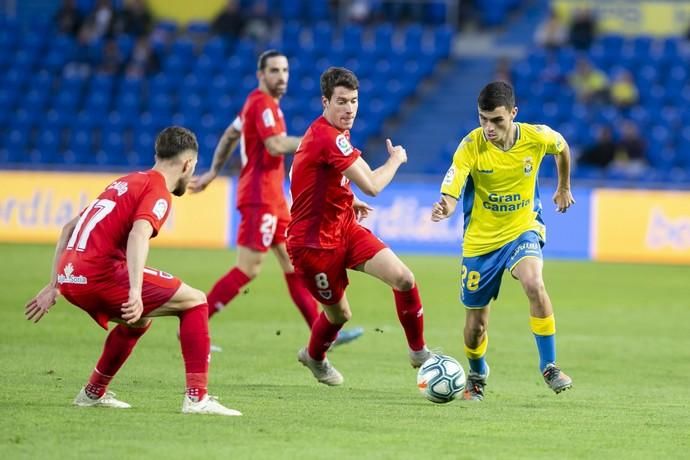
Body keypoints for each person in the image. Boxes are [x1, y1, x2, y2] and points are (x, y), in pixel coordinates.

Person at [24, 126, 241, 416]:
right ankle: (197, 398)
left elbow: (68, 228)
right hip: (97, 274)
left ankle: (93, 392)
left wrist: (54, 285)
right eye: (193, 167)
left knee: (138, 321)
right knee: (196, 301)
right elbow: (138, 235)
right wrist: (136, 292)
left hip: (70, 275)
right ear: (188, 164)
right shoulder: (158, 190)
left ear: (157, 154)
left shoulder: (125, 181)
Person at [189, 51, 363, 348]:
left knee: (292, 265)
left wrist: (213, 171)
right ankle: (194, 328)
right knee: (248, 268)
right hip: (260, 196)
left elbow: (231, 135)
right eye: (274, 70)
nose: (281, 76)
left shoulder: (259, 106)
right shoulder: (262, 104)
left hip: (273, 197)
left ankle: (320, 334)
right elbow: (275, 144)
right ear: (261, 75)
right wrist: (316, 142)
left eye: (285, 70)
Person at [287, 66, 431, 386]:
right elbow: (373, 186)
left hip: (344, 227)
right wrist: (395, 160)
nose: (349, 109)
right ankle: (314, 356)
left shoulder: (333, 134)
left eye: (354, 101)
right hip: (314, 246)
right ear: (325, 102)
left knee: (404, 279)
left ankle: (419, 353)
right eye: (341, 101)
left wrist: (345, 200)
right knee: (339, 316)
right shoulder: (326, 137)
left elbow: (302, 177)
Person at [430, 81, 574, 400]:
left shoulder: (536, 137)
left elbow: (562, 147)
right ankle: (477, 373)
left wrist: (564, 187)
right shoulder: (471, 145)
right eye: (483, 119)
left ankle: (549, 365)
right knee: (476, 327)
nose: (489, 127)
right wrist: (446, 206)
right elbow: (454, 182)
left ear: (513, 113)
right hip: (481, 242)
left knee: (534, 283)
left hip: (523, 227)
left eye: (497, 119)